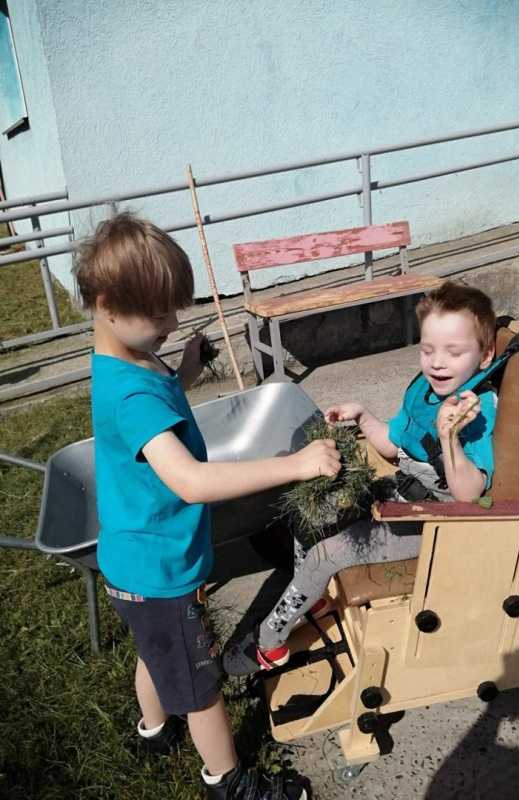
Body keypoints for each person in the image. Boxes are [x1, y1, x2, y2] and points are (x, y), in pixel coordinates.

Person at [75, 212, 341, 800]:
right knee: (200, 687)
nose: (173, 323)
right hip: (161, 571)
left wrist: (188, 368)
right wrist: (296, 465)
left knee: (156, 652)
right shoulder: (132, 394)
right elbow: (192, 482)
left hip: (134, 562)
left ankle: (153, 731)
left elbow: (162, 392)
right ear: (109, 305)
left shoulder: (125, 360)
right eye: (160, 314)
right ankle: (230, 781)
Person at [223, 281, 497, 676]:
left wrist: (449, 438)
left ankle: (270, 643)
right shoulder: (424, 391)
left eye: (454, 352)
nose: (437, 363)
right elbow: (393, 446)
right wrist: (364, 416)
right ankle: (312, 593)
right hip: (400, 495)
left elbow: (468, 496)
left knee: (328, 552)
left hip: (437, 522)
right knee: (306, 514)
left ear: (485, 356)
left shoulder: (477, 410)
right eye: (427, 350)